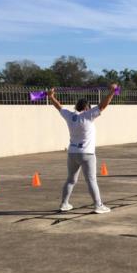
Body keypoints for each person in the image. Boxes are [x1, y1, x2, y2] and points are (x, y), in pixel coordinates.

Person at [48, 84, 118, 214]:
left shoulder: (70, 116)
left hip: (72, 153)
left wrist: (51, 97)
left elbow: (59, 107)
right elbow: (102, 106)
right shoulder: (88, 115)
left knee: (70, 179)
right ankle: (98, 205)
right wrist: (112, 92)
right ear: (86, 108)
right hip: (87, 154)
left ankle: (64, 203)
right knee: (91, 180)